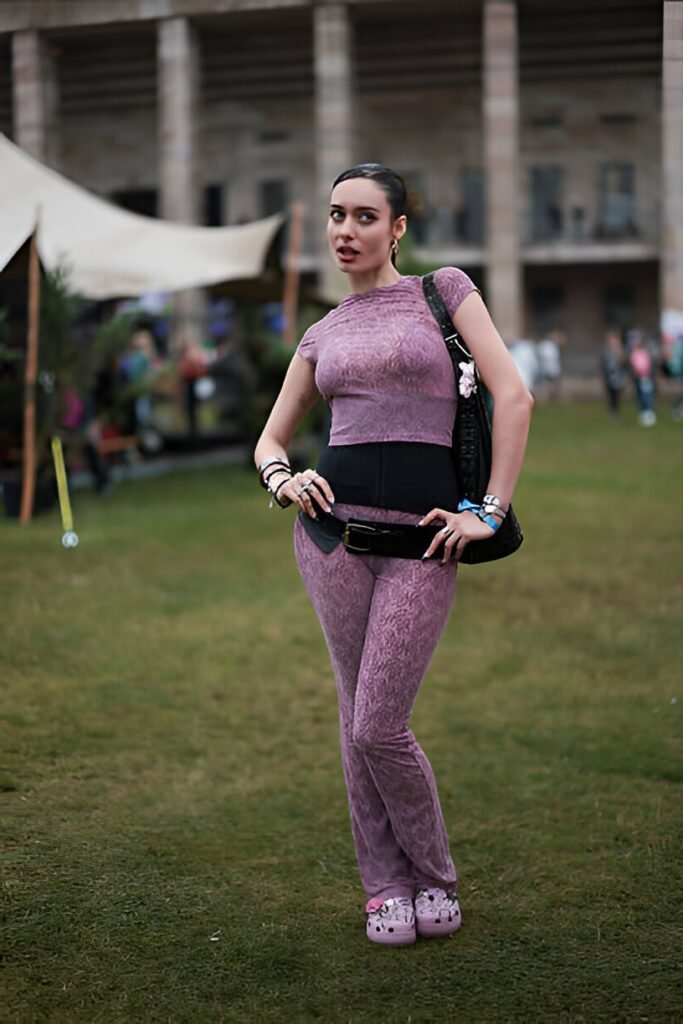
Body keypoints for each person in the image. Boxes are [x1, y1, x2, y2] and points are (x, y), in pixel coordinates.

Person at [254, 164, 533, 948]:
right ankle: (384, 886)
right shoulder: (322, 332)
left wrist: (488, 511)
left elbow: (514, 396)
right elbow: (271, 438)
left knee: (378, 724)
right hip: (331, 539)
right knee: (355, 717)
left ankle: (433, 876)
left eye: (364, 216)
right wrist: (282, 478)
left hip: (424, 543)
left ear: (398, 227)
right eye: (336, 215)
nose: (345, 231)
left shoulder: (442, 292)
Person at [626, 328, 657, 426]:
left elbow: (646, 365)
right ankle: (643, 412)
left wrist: (641, 372)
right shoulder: (634, 353)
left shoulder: (644, 352)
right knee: (639, 395)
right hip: (637, 377)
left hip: (644, 377)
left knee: (646, 395)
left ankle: (648, 413)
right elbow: (633, 364)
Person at [600, 327, 627, 419]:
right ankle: (612, 412)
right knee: (610, 395)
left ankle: (616, 411)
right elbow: (603, 364)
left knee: (617, 395)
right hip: (609, 376)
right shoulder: (606, 351)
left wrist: (619, 352)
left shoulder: (620, 350)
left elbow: (624, 362)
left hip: (618, 377)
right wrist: (602, 376)